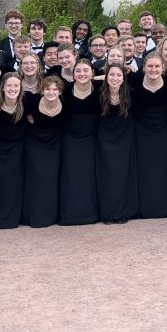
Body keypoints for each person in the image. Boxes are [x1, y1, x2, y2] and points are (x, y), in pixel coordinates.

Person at [131, 53, 167, 219]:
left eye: (157, 66)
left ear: (163, 68)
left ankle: (162, 207)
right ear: (144, 68)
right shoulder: (134, 83)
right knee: (143, 169)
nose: (153, 69)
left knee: (162, 168)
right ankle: (143, 207)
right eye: (150, 66)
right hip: (141, 131)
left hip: (163, 131)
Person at [59, 59, 101, 225]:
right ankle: (71, 214)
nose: (82, 74)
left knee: (89, 176)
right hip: (70, 139)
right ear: (73, 74)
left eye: (86, 70)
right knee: (72, 175)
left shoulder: (99, 89)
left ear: (92, 73)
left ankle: (90, 213)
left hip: (92, 139)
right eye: (78, 71)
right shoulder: (65, 90)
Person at [96, 65, 137, 224]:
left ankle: (122, 212)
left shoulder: (131, 93)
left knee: (123, 174)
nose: (115, 78)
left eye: (118, 75)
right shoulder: (98, 93)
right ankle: (108, 213)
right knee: (107, 175)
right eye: (111, 74)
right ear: (106, 77)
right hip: (105, 137)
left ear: (123, 77)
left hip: (125, 136)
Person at [0, 72, 27, 229]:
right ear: (2, 88)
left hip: (17, 151)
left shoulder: (26, 102)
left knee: (14, 185)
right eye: (9, 85)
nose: (12, 88)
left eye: (16, 85)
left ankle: (13, 218)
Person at [22, 75, 64, 227]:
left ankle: (51, 215)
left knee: (51, 179)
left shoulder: (66, 103)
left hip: (54, 145)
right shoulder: (32, 101)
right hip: (35, 144)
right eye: (47, 89)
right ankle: (34, 215)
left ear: (60, 91)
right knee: (37, 179)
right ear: (42, 90)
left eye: (54, 89)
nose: (51, 92)